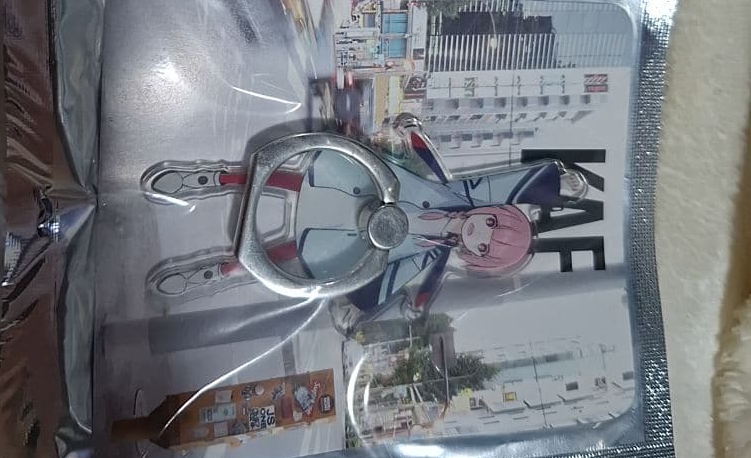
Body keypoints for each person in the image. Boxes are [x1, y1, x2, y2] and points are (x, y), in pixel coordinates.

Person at [141, 121, 587, 335]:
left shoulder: (431, 257)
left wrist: (368, 308)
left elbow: (413, 284)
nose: (479, 233)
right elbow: (501, 183)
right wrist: (554, 183)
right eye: (491, 224)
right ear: (492, 211)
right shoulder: (464, 193)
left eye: (486, 246)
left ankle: (220, 271)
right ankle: (218, 179)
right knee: (294, 181)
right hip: (364, 183)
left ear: (478, 258)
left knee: (295, 258)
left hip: (354, 247)